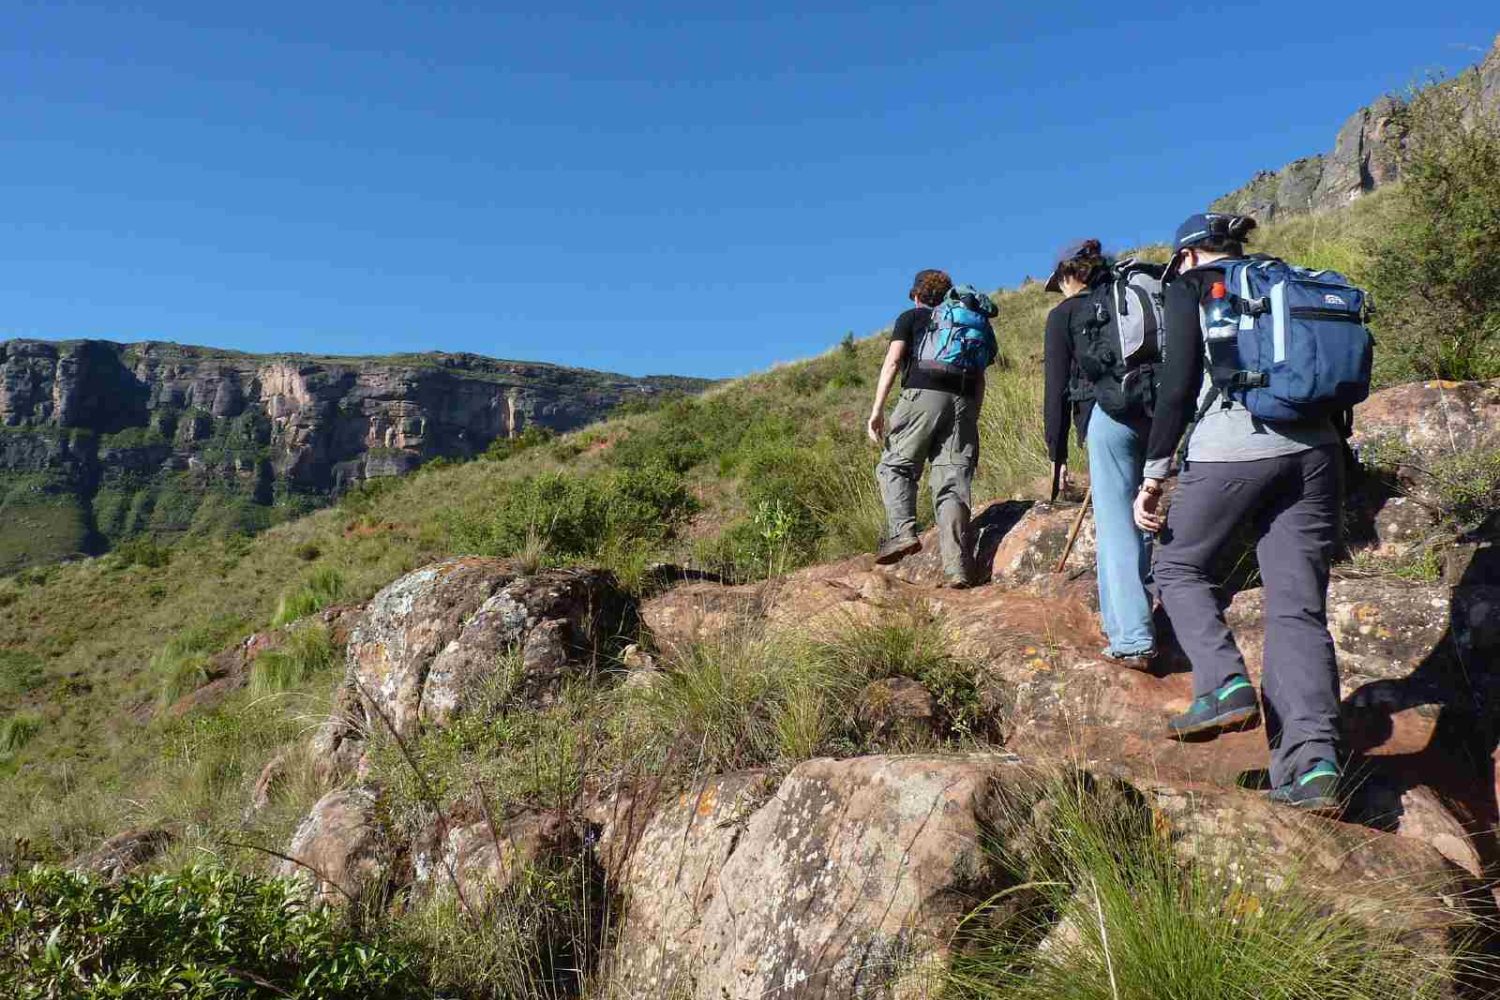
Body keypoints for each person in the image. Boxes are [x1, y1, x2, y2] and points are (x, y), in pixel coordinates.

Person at [1134, 212, 1344, 812]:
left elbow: (1177, 387)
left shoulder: (1190, 288)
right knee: (1298, 609)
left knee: (1175, 565)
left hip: (1233, 451)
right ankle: (1313, 770)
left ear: (1190, 256)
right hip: (1318, 453)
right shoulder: (1285, 280)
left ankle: (1223, 682)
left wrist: (1154, 475)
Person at [1043, 239, 1156, 665]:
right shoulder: (1130, 302)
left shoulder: (1066, 314)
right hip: (1160, 413)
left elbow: (1055, 389)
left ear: (1070, 276)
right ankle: (1139, 617)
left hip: (1109, 419)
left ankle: (1132, 638)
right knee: (1145, 516)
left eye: (1060, 283)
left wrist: (1057, 453)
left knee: (1116, 528)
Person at [867, 268, 987, 588]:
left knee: (895, 466)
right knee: (952, 484)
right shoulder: (966, 322)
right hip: (963, 399)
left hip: (921, 395)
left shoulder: (911, 318)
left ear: (917, 295)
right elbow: (981, 376)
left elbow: (893, 362)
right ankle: (957, 569)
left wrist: (877, 410)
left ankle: (903, 533)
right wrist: (970, 414)